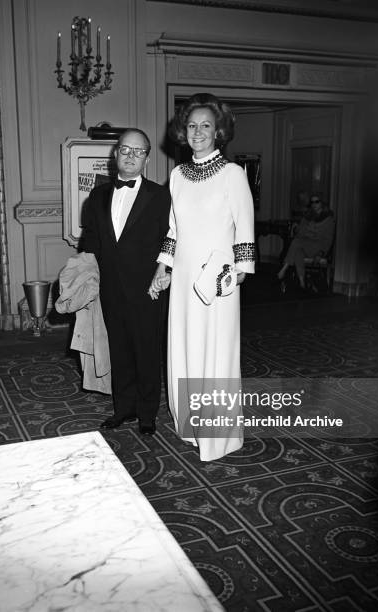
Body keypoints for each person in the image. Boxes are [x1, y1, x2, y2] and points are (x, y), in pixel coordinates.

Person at [150, 93, 255, 462]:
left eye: (205, 126)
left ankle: (218, 435)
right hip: (182, 281)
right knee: (185, 346)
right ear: (184, 130)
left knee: (216, 351)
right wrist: (163, 267)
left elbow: (245, 230)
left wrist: (238, 276)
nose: (197, 132)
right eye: (192, 125)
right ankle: (191, 426)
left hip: (219, 280)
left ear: (219, 131)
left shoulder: (233, 174)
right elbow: (173, 229)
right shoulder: (177, 175)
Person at [80, 129, 171, 436]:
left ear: (147, 157)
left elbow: (171, 241)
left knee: (146, 352)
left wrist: (164, 273)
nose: (131, 157)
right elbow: (90, 240)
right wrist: (84, 276)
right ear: (115, 153)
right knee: (119, 351)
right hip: (111, 289)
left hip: (148, 290)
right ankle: (124, 409)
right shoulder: (97, 195)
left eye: (139, 152)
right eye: (126, 150)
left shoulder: (160, 196)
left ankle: (147, 414)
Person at [277, 196, 335, 291]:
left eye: (317, 201)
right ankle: (302, 283)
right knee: (297, 251)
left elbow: (328, 240)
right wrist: (296, 228)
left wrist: (321, 253)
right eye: (312, 202)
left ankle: (284, 269)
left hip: (318, 247)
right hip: (305, 244)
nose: (314, 204)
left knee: (296, 243)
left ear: (322, 203)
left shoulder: (328, 219)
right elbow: (300, 232)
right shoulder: (308, 216)